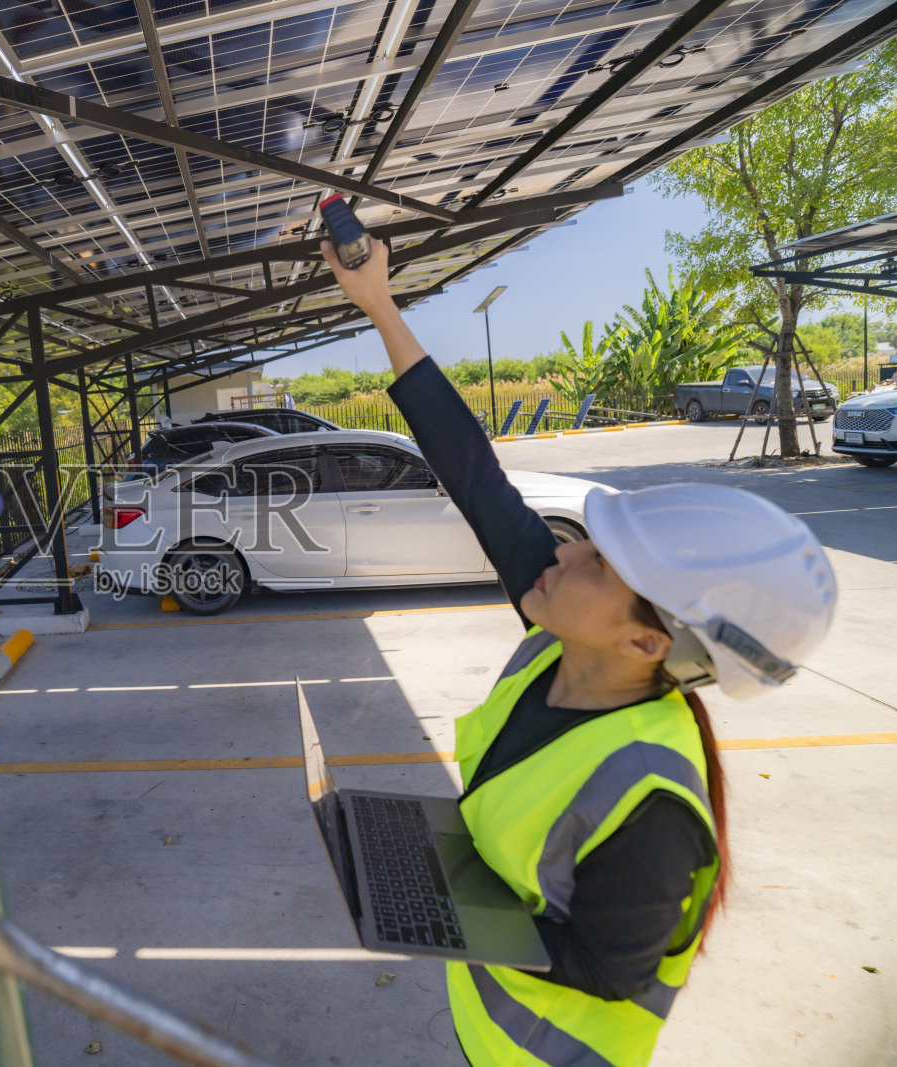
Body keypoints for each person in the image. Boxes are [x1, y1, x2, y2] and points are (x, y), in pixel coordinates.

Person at [321, 237, 837, 1067]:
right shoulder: (556, 643)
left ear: (647, 639)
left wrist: (438, 899)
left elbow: (610, 970)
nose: (561, 553)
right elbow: (477, 478)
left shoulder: (652, 803)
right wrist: (379, 304)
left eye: (597, 560)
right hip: (480, 1037)